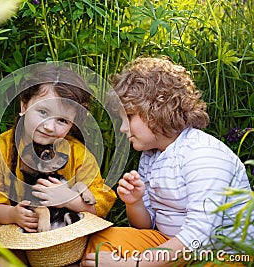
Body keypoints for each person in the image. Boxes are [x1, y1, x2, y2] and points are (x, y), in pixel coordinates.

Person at [81, 57, 253, 267]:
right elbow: (145, 227)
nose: (123, 128)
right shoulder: (151, 155)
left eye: (129, 117)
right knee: (101, 243)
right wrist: (135, 202)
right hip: (169, 245)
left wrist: (130, 264)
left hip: (218, 253)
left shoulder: (203, 155)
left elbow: (199, 238)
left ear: (155, 110)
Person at [0, 64, 117, 266]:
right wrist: (13, 214)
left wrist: (68, 200)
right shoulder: (2, 148)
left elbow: (98, 206)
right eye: (43, 112)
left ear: (73, 125)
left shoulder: (78, 154)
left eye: (62, 120)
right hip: (15, 240)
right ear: (24, 106)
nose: (49, 126)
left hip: (64, 243)